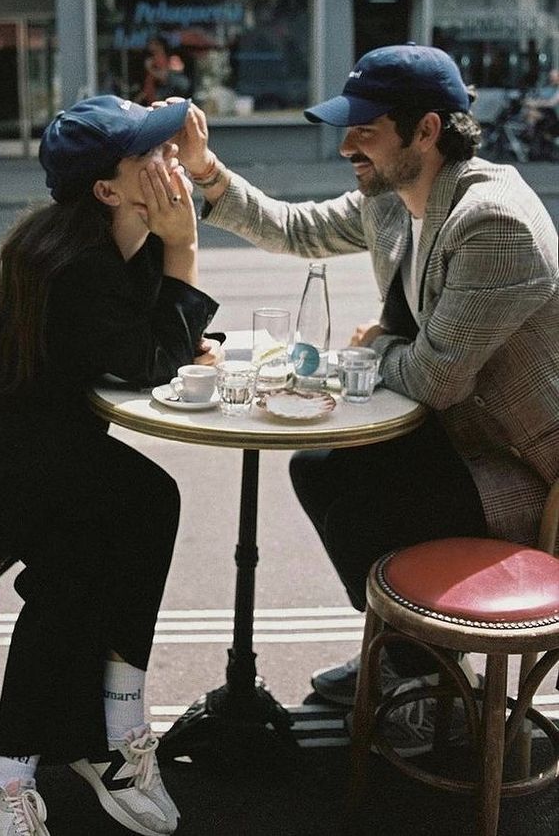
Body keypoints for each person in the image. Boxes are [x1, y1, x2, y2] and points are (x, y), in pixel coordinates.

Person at [173, 43, 559, 753]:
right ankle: (408, 650)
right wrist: (204, 171)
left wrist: (372, 344)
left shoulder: (492, 223)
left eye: (365, 128)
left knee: (364, 492)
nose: (345, 143)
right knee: (320, 463)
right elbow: (296, 229)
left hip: (526, 469)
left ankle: (419, 670)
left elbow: (436, 378)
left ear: (426, 132)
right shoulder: (391, 199)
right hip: (459, 434)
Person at [0, 95, 220, 836]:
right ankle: (47, 756)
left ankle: (88, 737)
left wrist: (187, 196)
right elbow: (146, 360)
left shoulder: (107, 234)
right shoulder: (75, 261)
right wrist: (185, 247)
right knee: (92, 544)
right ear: (106, 189)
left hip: (11, 427)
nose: (168, 163)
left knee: (145, 501)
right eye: (151, 154)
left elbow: (142, 338)